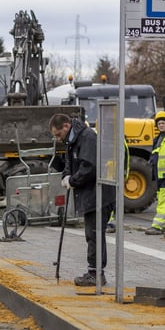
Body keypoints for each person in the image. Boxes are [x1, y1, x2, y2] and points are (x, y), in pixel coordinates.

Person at [49, 113, 114, 286]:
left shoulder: (87, 137)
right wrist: (66, 175)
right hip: (91, 194)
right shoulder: (72, 140)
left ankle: (96, 274)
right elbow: (70, 163)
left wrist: (73, 180)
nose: (58, 138)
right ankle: (94, 271)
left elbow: (89, 166)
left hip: (99, 194)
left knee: (94, 234)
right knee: (91, 234)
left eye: (58, 134)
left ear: (66, 126)